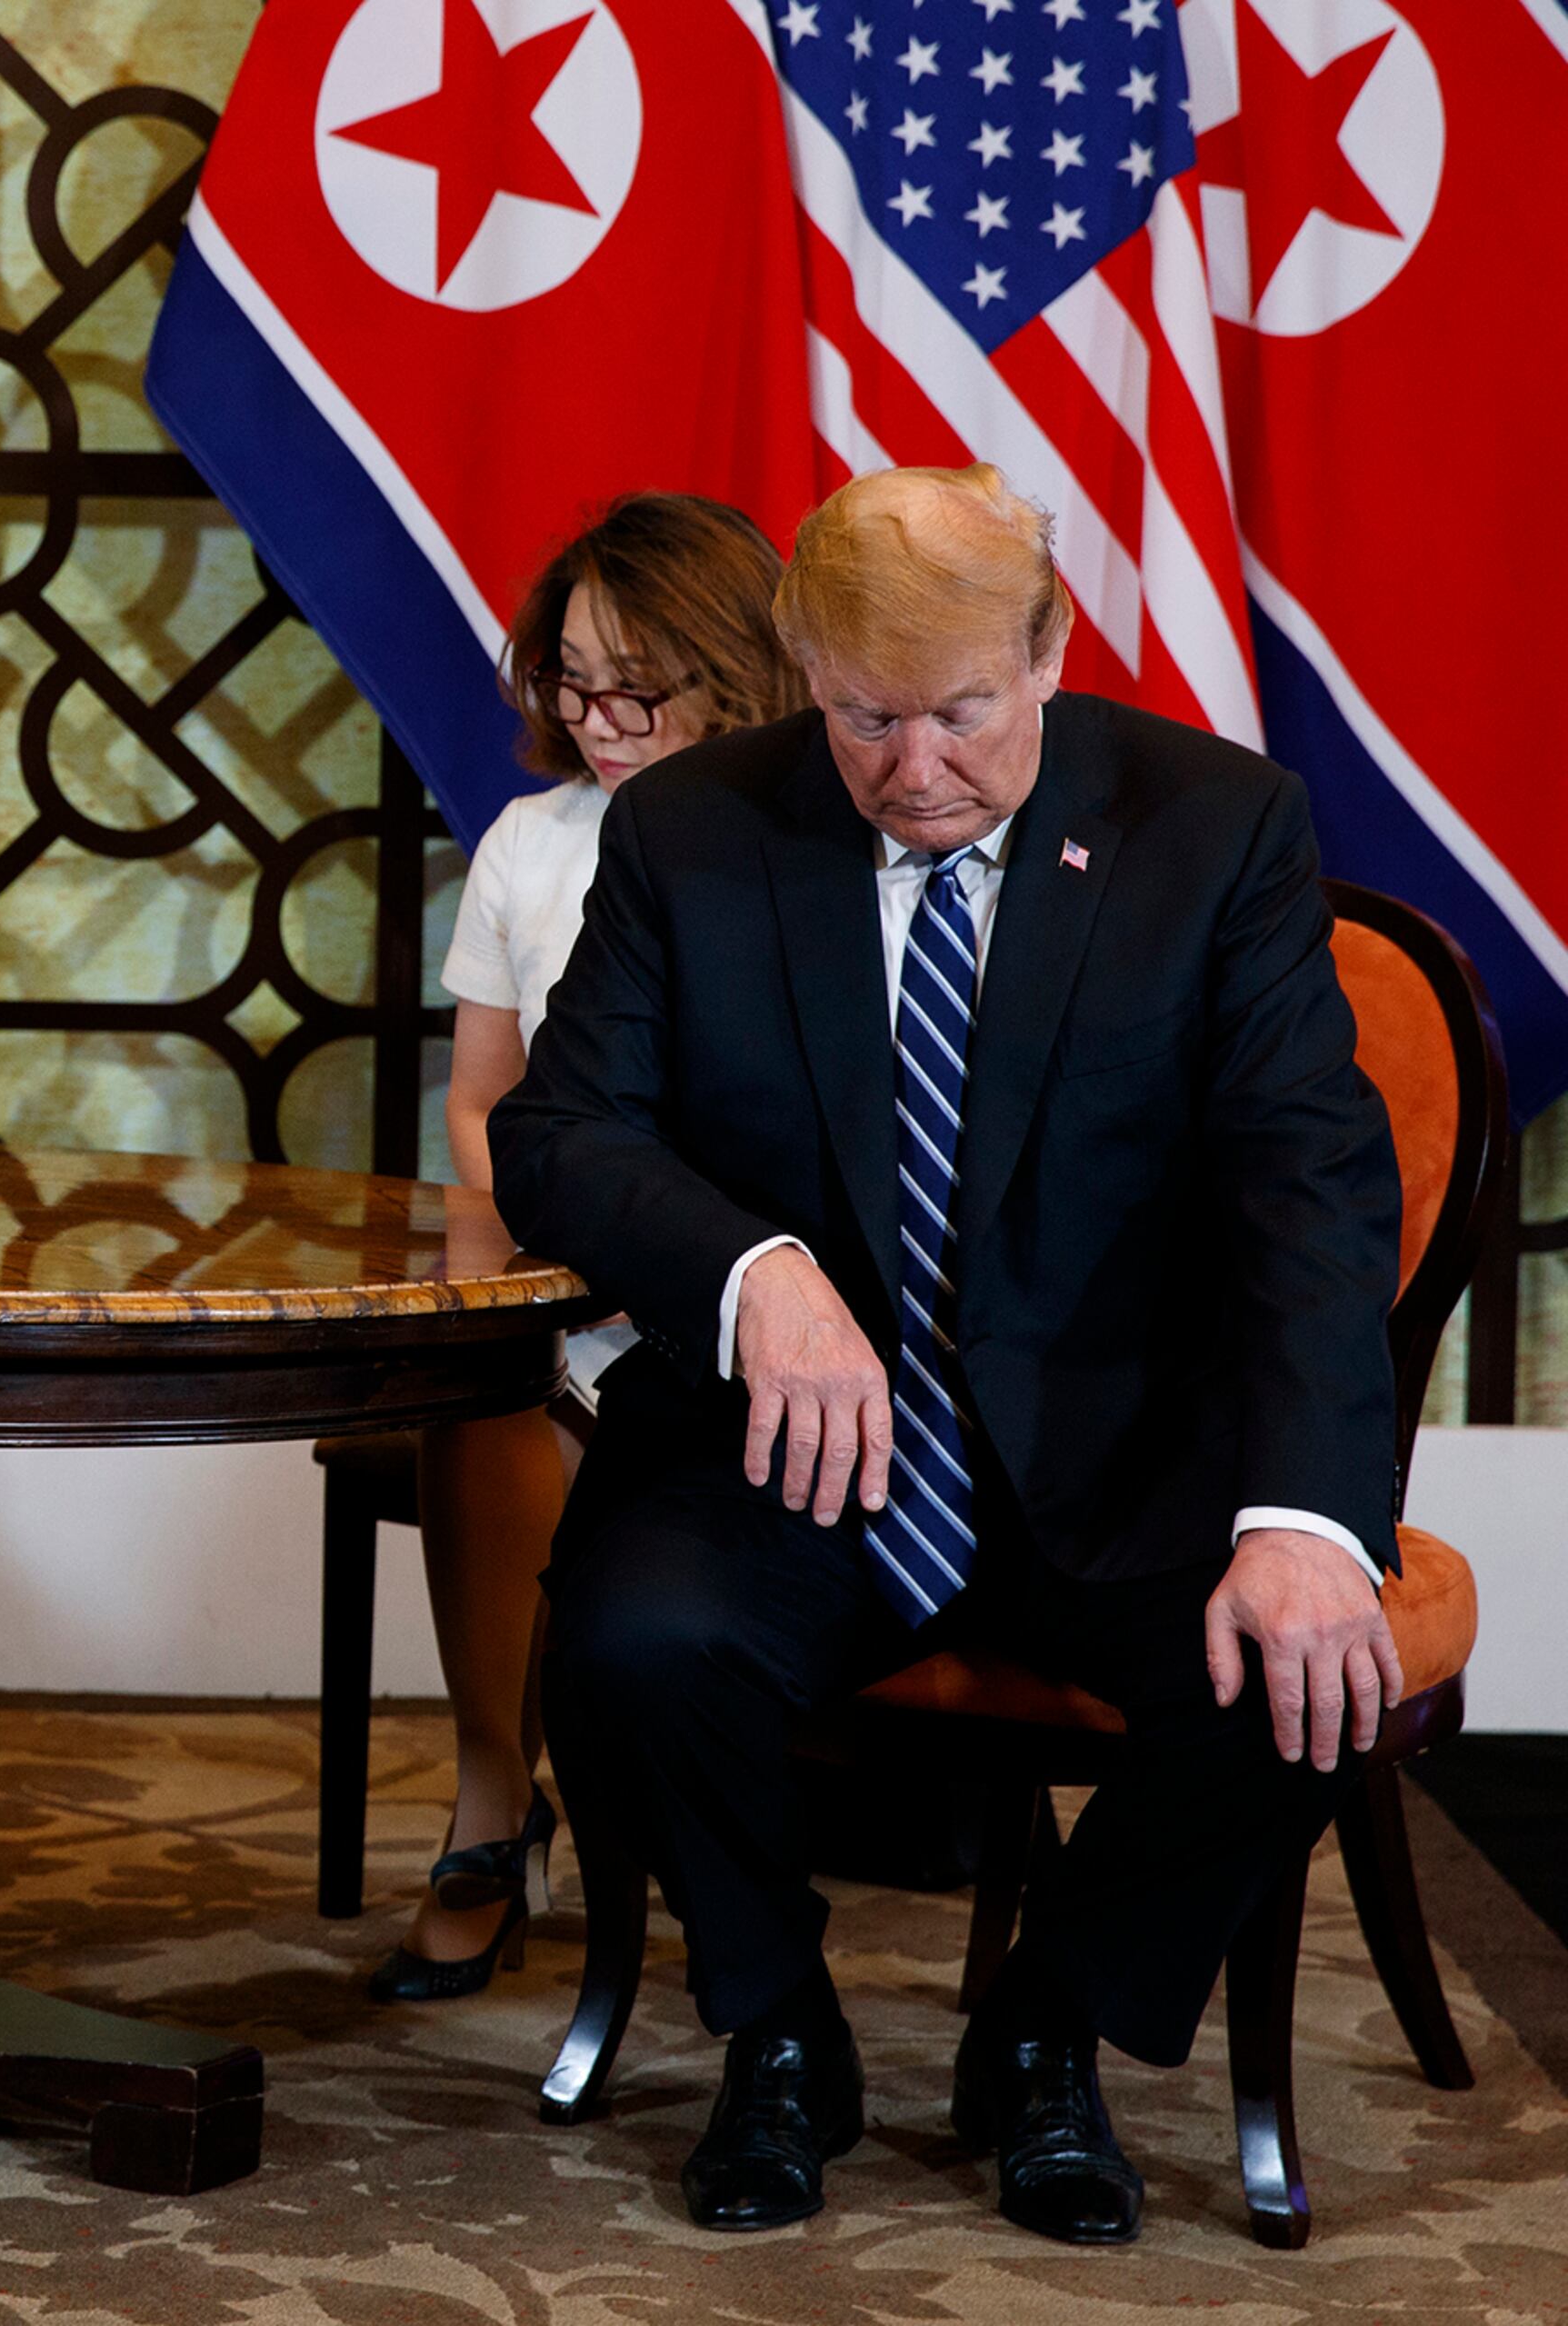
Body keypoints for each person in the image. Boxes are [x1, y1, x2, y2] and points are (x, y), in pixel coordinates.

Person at [492, 464, 1402, 2245]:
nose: (918, 770)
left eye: (964, 713)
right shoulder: (695, 827)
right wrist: (753, 1268)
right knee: (629, 1634)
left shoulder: (1215, 828)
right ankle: (782, 2031)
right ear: (803, 670)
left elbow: (1311, 1186)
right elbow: (563, 1130)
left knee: (1298, 1680)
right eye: (866, 718)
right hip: (790, 1446)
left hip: (1117, 1447)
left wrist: (1306, 1509)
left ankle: (1050, 2026)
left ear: (1051, 653)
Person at [374, 494, 804, 2002]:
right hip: (571, 1273)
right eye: (572, 680)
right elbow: (483, 1110)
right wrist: (569, 1250)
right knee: (477, 1388)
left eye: (641, 685)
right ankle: (495, 1803)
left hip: (761, 1289)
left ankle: (713, 1839)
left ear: (737, 666)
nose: (600, 717)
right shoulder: (530, 846)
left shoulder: (812, 836)